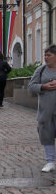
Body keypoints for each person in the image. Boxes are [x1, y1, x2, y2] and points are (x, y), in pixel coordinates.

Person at [27, 45, 56, 173]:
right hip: (46, 110)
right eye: (45, 55)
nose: (46, 58)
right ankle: (50, 162)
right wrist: (43, 86)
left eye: (49, 55)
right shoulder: (41, 70)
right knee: (47, 135)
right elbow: (31, 86)